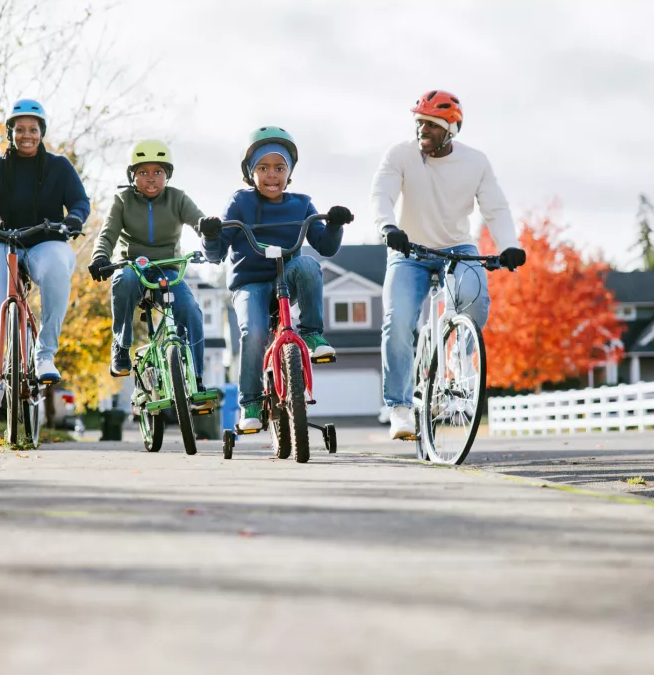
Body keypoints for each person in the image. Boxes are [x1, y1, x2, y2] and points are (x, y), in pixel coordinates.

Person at [370, 90, 526, 440]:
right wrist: (386, 226)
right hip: (408, 248)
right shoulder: (400, 155)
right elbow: (382, 193)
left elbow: (495, 208)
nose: (423, 130)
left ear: (451, 129)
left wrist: (509, 246)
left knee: (475, 297)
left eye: (432, 125)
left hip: (457, 247)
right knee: (397, 323)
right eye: (419, 123)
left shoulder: (476, 162)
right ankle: (400, 407)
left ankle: (459, 354)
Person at [199, 126, 353, 432]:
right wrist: (211, 235)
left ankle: (311, 334)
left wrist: (334, 224)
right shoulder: (239, 203)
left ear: (290, 172)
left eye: (280, 168)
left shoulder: (301, 203)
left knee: (308, 264)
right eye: (264, 168)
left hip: (287, 277)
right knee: (254, 333)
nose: (272, 175)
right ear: (250, 172)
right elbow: (215, 255)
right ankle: (251, 403)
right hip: (250, 282)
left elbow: (326, 246)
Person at [0, 98, 90, 410]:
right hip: (1, 241)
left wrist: (75, 218)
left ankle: (45, 354)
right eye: (19, 129)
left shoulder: (59, 167)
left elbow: (80, 201)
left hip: (46, 240)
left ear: (42, 132)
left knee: (55, 272)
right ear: (9, 133)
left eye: (33, 129)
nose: (27, 134)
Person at [88, 139, 208, 393]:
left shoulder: (178, 199)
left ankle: (196, 376)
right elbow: (107, 235)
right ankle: (121, 347)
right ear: (132, 175)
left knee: (190, 309)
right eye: (143, 172)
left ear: (167, 175)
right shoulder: (122, 200)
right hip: (134, 266)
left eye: (158, 172)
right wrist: (100, 257)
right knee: (125, 279)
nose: (151, 179)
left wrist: (208, 226)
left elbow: (199, 220)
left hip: (168, 269)